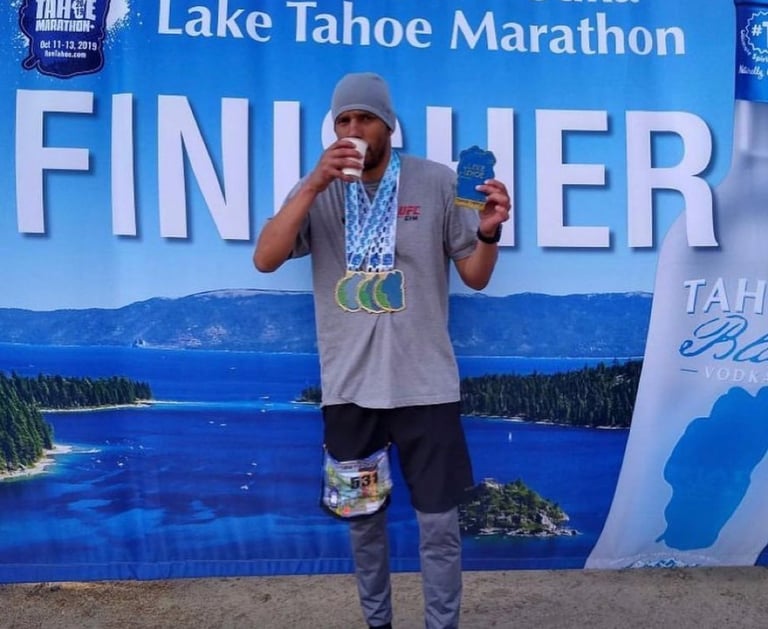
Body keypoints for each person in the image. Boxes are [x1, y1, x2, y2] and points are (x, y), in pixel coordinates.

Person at [253, 72, 510, 629]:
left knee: (440, 528)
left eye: (364, 118)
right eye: (343, 120)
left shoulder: (438, 183)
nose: (353, 129)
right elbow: (265, 259)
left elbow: (476, 276)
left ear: (388, 124)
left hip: (426, 388)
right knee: (364, 525)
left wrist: (488, 233)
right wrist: (310, 187)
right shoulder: (318, 192)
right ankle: (378, 624)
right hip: (350, 391)